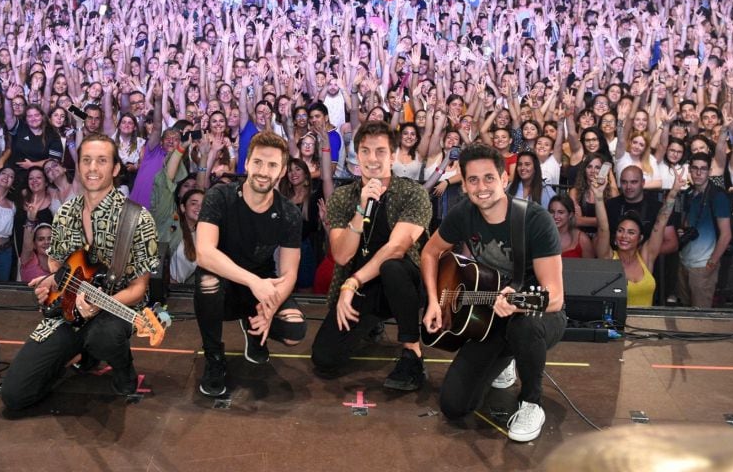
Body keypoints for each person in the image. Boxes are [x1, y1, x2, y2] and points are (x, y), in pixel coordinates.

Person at [0, 133, 159, 411]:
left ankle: (123, 368)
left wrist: (98, 303)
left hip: (115, 308)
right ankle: (76, 352)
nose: (93, 168)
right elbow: (56, 263)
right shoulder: (65, 212)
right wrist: (54, 280)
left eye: (101, 160)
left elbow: (139, 288)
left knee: (103, 337)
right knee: (15, 395)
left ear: (115, 168)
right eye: (86, 160)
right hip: (69, 307)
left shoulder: (137, 218)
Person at [420, 143, 565, 443]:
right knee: (454, 406)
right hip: (489, 313)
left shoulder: (534, 220)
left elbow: (555, 296)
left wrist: (518, 303)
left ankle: (531, 403)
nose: (481, 187)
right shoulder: (464, 215)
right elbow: (431, 252)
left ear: (504, 178)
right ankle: (508, 358)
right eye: (472, 180)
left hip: (537, 315)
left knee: (524, 327)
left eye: (489, 178)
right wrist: (435, 301)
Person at [310, 120, 432, 390]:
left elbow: (397, 248)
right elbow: (341, 256)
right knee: (324, 359)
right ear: (357, 156)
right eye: (365, 151)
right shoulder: (343, 198)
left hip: (405, 284)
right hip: (365, 289)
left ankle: (413, 353)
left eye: (380, 151)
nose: (372, 159)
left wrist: (351, 283)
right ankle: (371, 323)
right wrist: (361, 207)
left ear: (392, 155)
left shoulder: (413, 194)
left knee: (392, 267)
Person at [193, 130, 307, 397]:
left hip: (260, 289)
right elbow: (204, 253)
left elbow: (290, 271)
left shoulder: (289, 213)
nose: (263, 171)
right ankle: (214, 358)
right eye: (257, 162)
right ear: (246, 163)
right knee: (207, 281)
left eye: (272, 165)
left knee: (294, 331)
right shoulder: (220, 196)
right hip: (225, 286)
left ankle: (254, 327)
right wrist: (253, 282)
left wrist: (272, 306)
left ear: (281, 172)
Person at [593, 169, 682, 307]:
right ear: (615, 237)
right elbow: (603, 228)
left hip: (645, 325)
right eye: (621, 231)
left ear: (640, 238)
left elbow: (661, 222)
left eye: (631, 232)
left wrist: (674, 191)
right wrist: (598, 197)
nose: (624, 236)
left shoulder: (646, 257)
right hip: (616, 325)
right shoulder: (608, 258)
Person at [676, 152, 733, 308]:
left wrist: (712, 262)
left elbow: (726, 234)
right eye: (695, 168)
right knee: (686, 312)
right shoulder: (687, 193)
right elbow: (686, 224)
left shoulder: (717, 196)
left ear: (709, 171)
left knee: (700, 316)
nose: (699, 173)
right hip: (684, 261)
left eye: (703, 169)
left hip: (703, 265)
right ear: (690, 169)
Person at [548, 193, 594, 259]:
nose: (555, 216)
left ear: (570, 215)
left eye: (560, 212)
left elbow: (591, 267)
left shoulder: (582, 240)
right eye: (552, 212)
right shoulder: (541, 236)